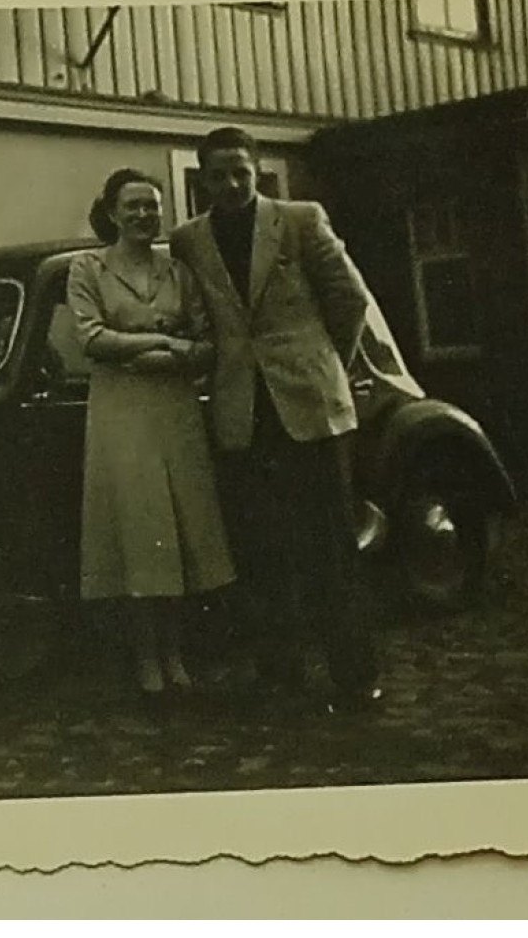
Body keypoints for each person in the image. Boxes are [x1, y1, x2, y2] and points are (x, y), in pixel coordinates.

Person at [168, 126, 381, 712]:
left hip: (309, 409)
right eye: (217, 175)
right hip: (241, 412)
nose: (231, 184)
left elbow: (351, 300)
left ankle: (354, 675)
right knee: (262, 550)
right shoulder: (189, 239)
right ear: (202, 180)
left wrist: (319, 364)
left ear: (256, 171)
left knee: (330, 546)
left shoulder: (300, 219)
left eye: (241, 171)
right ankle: (280, 674)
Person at [67, 167, 235, 696]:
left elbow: (207, 345)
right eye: (133, 206)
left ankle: (175, 652)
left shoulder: (179, 273)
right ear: (112, 212)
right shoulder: (88, 268)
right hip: (120, 414)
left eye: (152, 206)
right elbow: (91, 338)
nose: (143, 215)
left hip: (175, 411)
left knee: (180, 529)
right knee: (139, 532)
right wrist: (164, 343)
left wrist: (164, 349)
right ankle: (146, 658)